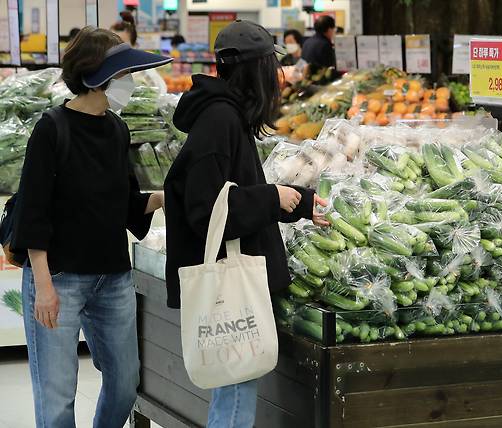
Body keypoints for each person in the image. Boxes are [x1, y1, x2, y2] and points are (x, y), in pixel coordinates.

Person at [164, 20, 328, 427]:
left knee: (233, 393)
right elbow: (205, 207)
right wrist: (272, 197)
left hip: (229, 277)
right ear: (253, 70)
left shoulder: (223, 114)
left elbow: (235, 189)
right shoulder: (220, 120)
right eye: (269, 68)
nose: (276, 78)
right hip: (228, 282)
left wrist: (300, 203)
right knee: (236, 397)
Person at [12, 27, 171, 428]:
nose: (130, 84)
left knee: (125, 381)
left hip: (112, 278)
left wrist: (166, 197)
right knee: (57, 393)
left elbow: (127, 204)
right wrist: (43, 286)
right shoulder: (52, 128)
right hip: (59, 278)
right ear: (96, 77)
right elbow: (33, 212)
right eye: (123, 75)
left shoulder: (117, 129)